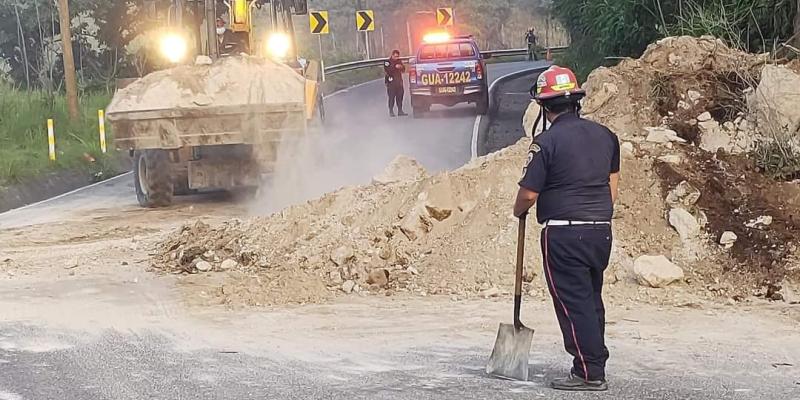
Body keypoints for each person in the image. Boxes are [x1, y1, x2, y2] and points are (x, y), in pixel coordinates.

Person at [513, 66, 620, 392]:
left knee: (573, 302)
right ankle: (595, 361)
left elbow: (529, 194)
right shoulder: (606, 136)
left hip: (563, 234)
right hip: (600, 231)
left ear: (545, 107)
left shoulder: (545, 143)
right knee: (591, 299)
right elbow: (611, 187)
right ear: (575, 102)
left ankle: (588, 372)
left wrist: (518, 211)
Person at [384, 49, 407, 117]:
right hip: (391, 82)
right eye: (395, 56)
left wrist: (401, 67)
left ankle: (400, 110)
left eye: (398, 56)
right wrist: (395, 67)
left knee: (400, 96)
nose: (396, 58)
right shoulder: (387, 62)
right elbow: (388, 70)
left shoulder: (399, 61)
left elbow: (403, 69)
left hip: (399, 82)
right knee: (391, 97)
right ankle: (391, 111)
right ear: (392, 55)